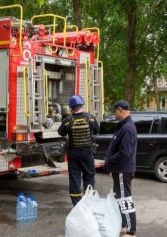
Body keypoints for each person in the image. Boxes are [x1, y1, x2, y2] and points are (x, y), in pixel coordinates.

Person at [104, 100, 137, 237]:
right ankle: (124, 225)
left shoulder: (128, 128)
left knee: (125, 199)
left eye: (115, 111)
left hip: (123, 169)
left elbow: (125, 152)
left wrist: (109, 161)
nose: (114, 113)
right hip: (118, 169)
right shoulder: (122, 126)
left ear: (120, 110)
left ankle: (130, 231)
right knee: (120, 198)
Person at [58, 95, 99, 206]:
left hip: (73, 153)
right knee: (89, 176)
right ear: (82, 104)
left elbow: (60, 132)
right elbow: (97, 130)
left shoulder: (68, 121)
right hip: (87, 153)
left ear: (71, 107)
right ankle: (88, 203)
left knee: (74, 178)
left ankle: (77, 205)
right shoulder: (90, 118)